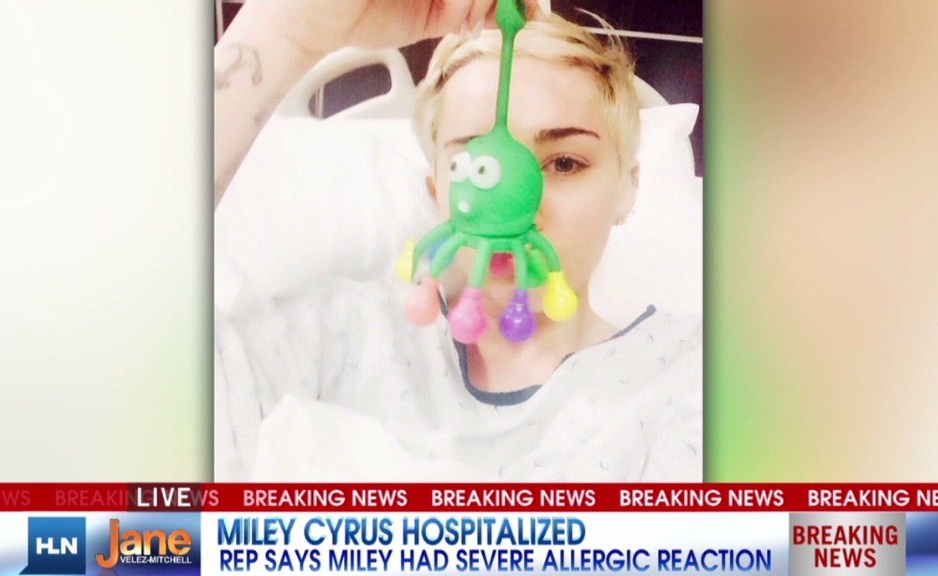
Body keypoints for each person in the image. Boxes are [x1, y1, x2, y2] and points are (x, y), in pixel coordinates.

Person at [215, 0, 703, 481]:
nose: (511, 209)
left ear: (628, 187)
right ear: (438, 191)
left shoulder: (689, 380)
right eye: (477, 167)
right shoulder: (336, 340)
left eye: (565, 163)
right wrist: (287, 28)